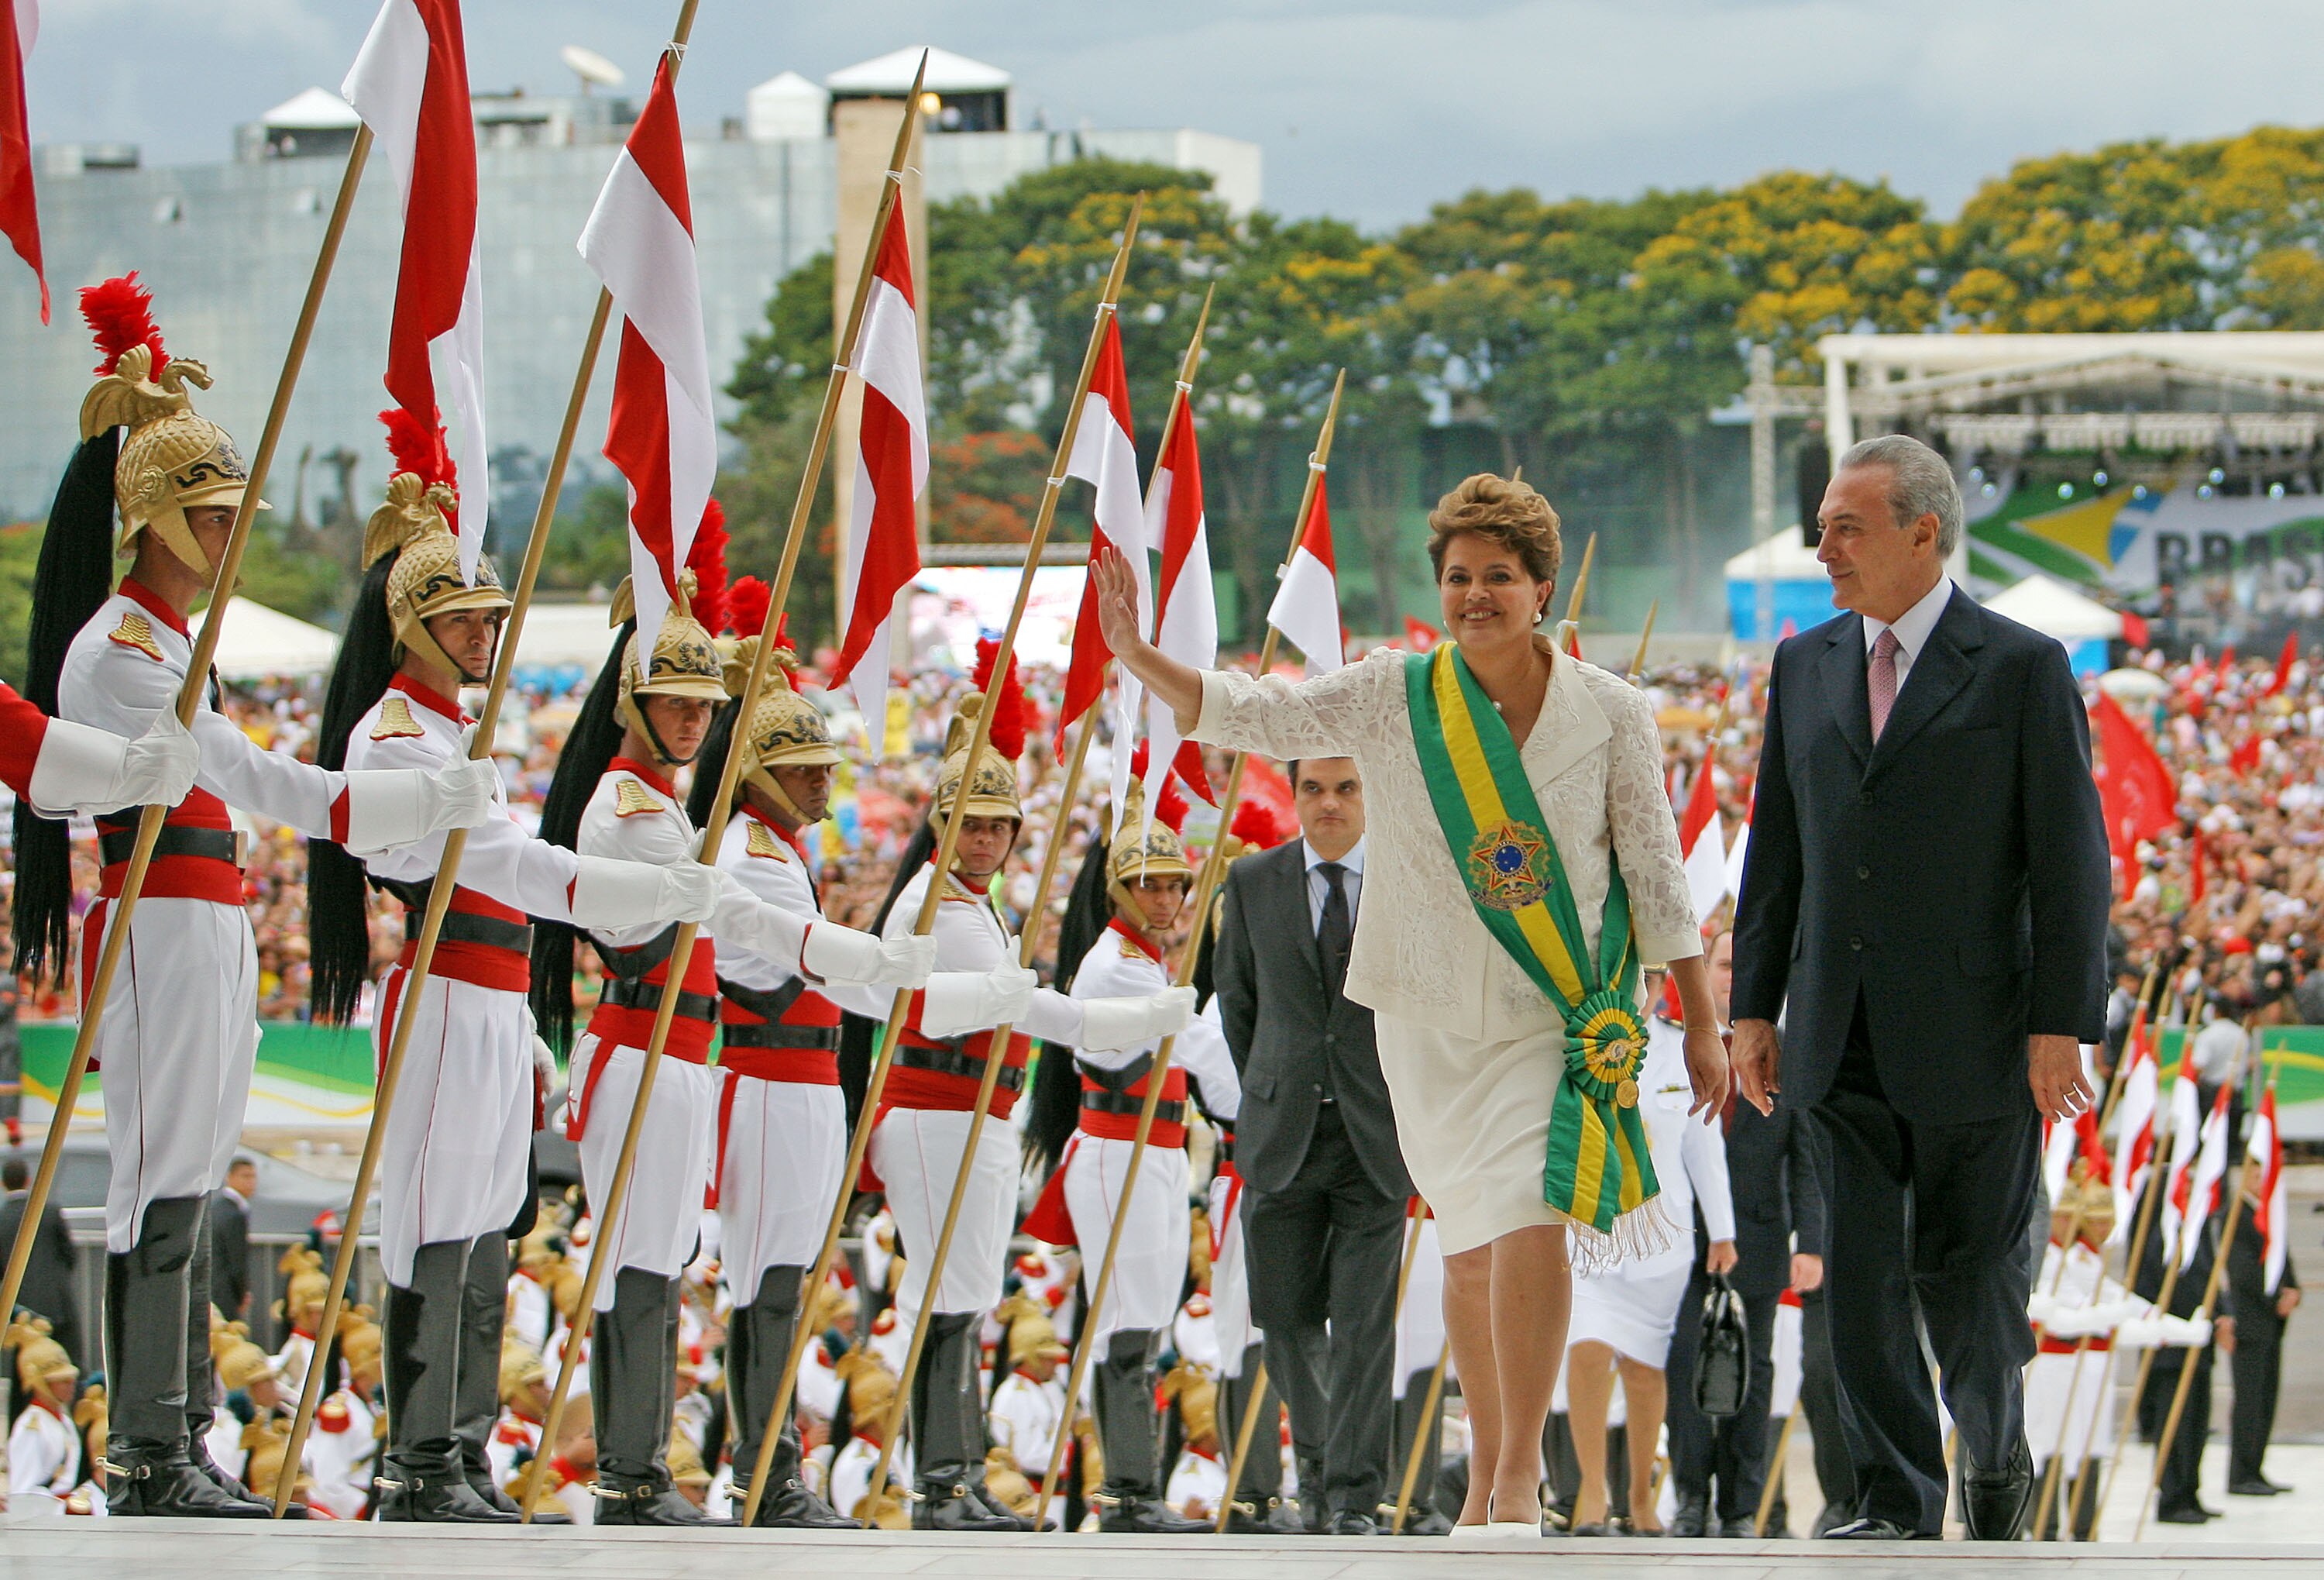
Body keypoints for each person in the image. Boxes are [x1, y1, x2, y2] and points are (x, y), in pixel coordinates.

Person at [1095, 472, 1724, 1537]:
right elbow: (1273, 710)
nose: (1476, 595)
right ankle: (1483, 1467)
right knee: (1471, 1246)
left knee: (1532, 1217)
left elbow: (1656, 866)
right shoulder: (1397, 690)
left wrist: (1701, 1017)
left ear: (1542, 587)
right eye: (1459, 577)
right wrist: (1140, 657)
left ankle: (1522, 1473)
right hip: (1425, 1015)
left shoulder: (1612, 711)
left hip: (1552, 1010)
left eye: (1499, 577)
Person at [9, 283, 500, 1520]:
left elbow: (256, 779)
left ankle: (171, 1430)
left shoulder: (173, 644)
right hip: (155, 912)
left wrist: (413, 805)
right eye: (213, 518)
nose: (230, 539)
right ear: (157, 520)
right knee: (158, 1179)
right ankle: (145, 1445)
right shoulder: (119, 644)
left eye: (234, 517)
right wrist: (394, 804)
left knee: (194, 1165)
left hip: (210, 910)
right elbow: (254, 777)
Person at [305, 415, 719, 1523]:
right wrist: (625, 892)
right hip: (445, 987)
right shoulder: (397, 730)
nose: (484, 631)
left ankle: (466, 1444)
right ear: (413, 622)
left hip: (490, 996)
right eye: (463, 615)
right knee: (438, 1222)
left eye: (491, 615)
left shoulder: (453, 736)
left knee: (487, 1229)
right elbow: (479, 861)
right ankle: (420, 1454)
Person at [1730, 434, 2113, 1540]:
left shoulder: (2023, 665)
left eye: (1845, 526)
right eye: (1821, 527)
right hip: (1833, 1030)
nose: (1824, 547)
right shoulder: (1804, 663)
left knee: (1968, 1281)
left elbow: (2070, 859)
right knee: (1856, 1277)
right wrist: (1756, 1003)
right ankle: (1895, 1496)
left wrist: (2059, 1022)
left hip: (1982, 1035)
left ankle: (1994, 1444)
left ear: (1923, 531)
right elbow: (1779, 846)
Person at [532, 524, 934, 1528]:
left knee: (686, 1263)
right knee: (653, 1261)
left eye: (706, 707)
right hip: (671, 1050)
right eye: (797, 767)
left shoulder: (694, 821)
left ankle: (694, 1464)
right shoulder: (650, 814)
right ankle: (642, 1466)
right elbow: (760, 937)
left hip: (692, 1055)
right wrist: (870, 959)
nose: (820, 783)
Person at [685, 584, 1024, 1528]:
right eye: (799, 767)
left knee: (789, 1276)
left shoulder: (784, 850)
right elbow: (829, 967)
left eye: (821, 764)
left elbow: (863, 987)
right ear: (755, 772)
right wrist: (897, 963)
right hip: (767, 1071)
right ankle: (762, 1470)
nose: (820, 781)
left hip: (806, 1077)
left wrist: (893, 971)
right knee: (767, 1278)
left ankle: (776, 1469)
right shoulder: (750, 852)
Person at [860, 647, 1189, 1531]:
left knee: (966, 1292)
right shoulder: (935, 903)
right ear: (942, 825)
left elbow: (1047, 1015)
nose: (987, 839)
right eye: (972, 823)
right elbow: (961, 1008)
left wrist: (1139, 1014)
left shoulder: (976, 903)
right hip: (937, 1113)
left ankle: (957, 1473)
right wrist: (1131, 1012)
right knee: (949, 1294)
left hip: (980, 1114)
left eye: (999, 826)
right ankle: (941, 1479)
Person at [1022, 773, 1239, 1534]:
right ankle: (1126, 1489)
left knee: (1141, 1319)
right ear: (1118, 890)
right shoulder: (1116, 964)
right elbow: (1197, 1043)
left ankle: (1130, 1484)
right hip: (1119, 1150)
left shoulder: (1143, 962)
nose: (1167, 897)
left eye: (1175, 883)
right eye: (1148, 884)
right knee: (1125, 1321)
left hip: (1150, 1151)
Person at [1210, 754, 1411, 1534]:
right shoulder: (1252, 880)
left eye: (1348, 786)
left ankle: (1352, 1496)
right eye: (1315, 788)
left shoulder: (1404, 880)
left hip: (1375, 1132)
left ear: (1371, 793)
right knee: (1285, 1316)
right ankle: (1323, 1461)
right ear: (1294, 795)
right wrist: (1277, 1078)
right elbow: (1237, 1002)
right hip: (1280, 1128)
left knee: (1365, 1323)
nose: (1329, 803)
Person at [1563, 962, 1736, 1537]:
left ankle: (1639, 1497)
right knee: (1586, 1352)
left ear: (1665, 988)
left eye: (1654, 978)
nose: (1643, 988)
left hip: (1663, 1237)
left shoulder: (1682, 1053)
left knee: (1642, 1368)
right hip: (1590, 1229)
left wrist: (1724, 1230)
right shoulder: (1575, 1046)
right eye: (1632, 975)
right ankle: (1591, 1490)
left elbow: (1703, 1145)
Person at [1666, 931, 1828, 1538]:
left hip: (1760, 1238)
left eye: (1747, 967)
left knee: (1753, 1375)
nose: (1735, 976)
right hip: (1683, 1239)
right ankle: (1689, 1498)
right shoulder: (1671, 1050)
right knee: (1684, 1363)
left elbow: (1806, 1156)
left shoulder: (1784, 1053)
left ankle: (1740, 1507)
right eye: (1726, 964)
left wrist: (1810, 1243)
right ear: (1703, 971)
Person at [2225, 1170, 2301, 1497]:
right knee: (2249, 1400)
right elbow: (2243, 1271)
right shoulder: (2237, 1216)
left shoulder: (2269, 1212)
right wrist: (2275, 1297)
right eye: (2255, 1174)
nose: (2261, 1180)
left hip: (2272, 1322)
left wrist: (2294, 1290)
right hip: (2250, 1320)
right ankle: (2241, 1473)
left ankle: (2256, 1466)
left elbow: (2282, 1256)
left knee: (2267, 1398)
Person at [0, 1155, 81, 1368]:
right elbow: (70, 1255)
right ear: (28, 1180)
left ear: (3, 1184)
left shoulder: (2, 1219)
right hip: (59, 1304)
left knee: (26, 1372)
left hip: (21, 1313)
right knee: (67, 1365)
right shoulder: (50, 1212)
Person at [6, 1317, 83, 1510]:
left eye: (71, 1379)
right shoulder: (31, 1427)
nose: (71, 1385)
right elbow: (23, 1492)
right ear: (41, 1382)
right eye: (62, 1380)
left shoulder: (63, 1420)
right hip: (45, 1520)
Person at [207, 1157, 256, 1324]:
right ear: (230, 1177)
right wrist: (242, 1293)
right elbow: (237, 1260)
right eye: (245, 1176)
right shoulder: (234, 1214)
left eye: (253, 1177)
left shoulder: (217, 1208)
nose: (251, 1182)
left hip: (212, 1290)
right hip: (226, 1294)